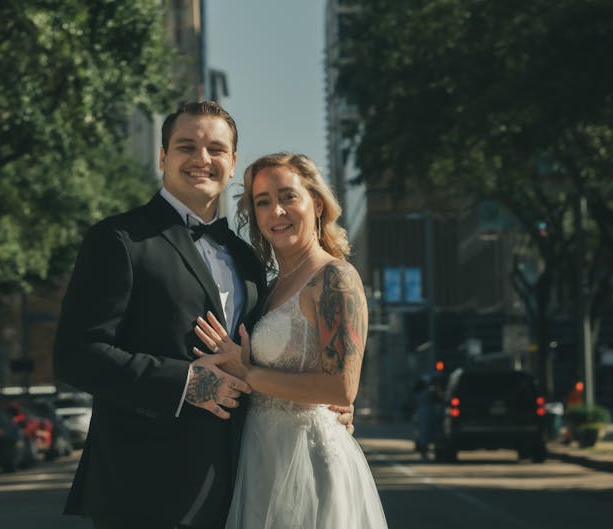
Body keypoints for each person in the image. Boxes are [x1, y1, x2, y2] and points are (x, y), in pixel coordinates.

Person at [53, 102, 351, 529]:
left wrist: (325, 401)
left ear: (232, 164)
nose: (201, 159)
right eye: (186, 146)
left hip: (242, 487)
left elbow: (264, 358)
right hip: (143, 493)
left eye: (215, 148)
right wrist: (186, 382)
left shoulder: (249, 259)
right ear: (163, 157)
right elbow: (75, 355)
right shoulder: (118, 240)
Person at [194, 153, 387, 529]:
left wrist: (247, 372)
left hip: (309, 461)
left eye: (287, 197)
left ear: (316, 203)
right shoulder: (266, 289)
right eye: (263, 202)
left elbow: (342, 388)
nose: (276, 211)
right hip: (260, 455)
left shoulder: (336, 279)